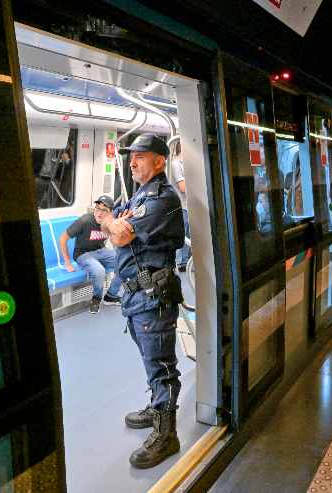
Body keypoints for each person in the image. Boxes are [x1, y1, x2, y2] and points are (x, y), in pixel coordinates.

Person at [99, 133, 185, 469]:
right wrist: (109, 217)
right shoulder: (138, 195)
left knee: (161, 366)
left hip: (153, 298)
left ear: (160, 161)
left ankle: (168, 435)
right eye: (131, 156)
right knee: (150, 359)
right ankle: (157, 408)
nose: (132, 162)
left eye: (141, 156)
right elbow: (110, 219)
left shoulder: (162, 199)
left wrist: (110, 222)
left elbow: (118, 233)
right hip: (135, 296)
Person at [59, 195, 122, 314]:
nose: (99, 212)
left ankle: (111, 296)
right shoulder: (84, 221)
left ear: (110, 213)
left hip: (101, 251)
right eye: (97, 208)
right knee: (99, 271)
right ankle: (96, 299)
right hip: (83, 254)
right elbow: (63, 239)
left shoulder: (111, 222)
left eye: (104, 210)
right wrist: (67, 262)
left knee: (124, 262)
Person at [170, 146, 190, 271]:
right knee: (183, 234)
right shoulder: (175, 164)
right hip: (181, 206)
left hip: (188, 206)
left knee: (188, 235)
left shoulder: (186, 165)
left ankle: (185, 262)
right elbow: (183, 187)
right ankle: (180, 263)